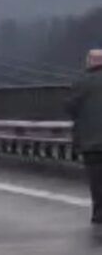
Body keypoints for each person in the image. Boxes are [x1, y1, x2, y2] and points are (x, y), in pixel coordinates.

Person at [66, 49, 102, 224]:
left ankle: (99, 212)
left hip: (91, 141)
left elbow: (70, 108)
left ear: (89, 63)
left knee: (96, 179)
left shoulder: (80, 83)